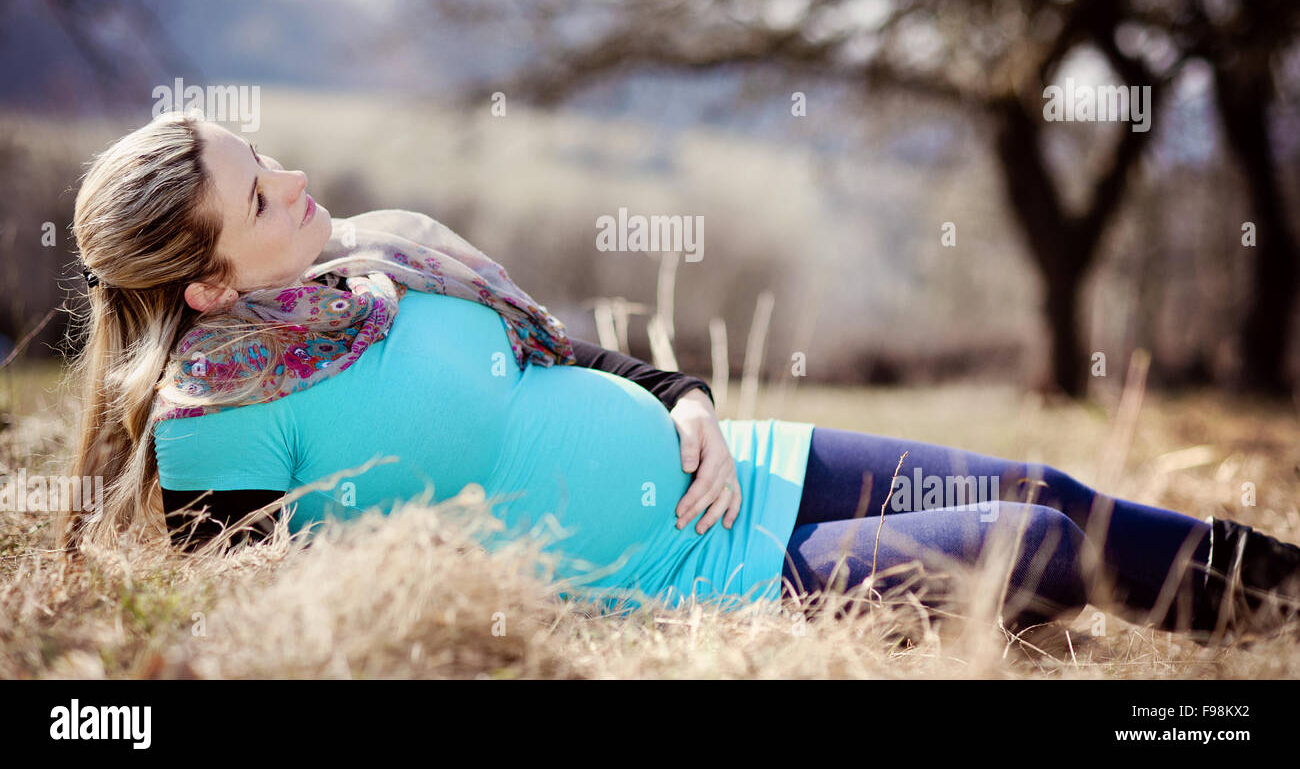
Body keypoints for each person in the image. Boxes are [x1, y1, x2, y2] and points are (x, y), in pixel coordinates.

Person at [56, 112, 1300, 646]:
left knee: (1055, 485)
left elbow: (559, 353)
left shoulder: (383, 257)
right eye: (259, 192)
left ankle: (1282, 606)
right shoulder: (217, 420)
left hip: (737, 459)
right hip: (698, 572)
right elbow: (253, 619)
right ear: (207, 286)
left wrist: (683, 397)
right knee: (1032, 539)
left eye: (263, 151)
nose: (293, 174)